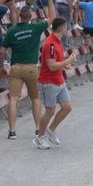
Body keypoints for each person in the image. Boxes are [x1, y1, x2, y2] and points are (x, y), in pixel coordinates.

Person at [0, 2, 48, 139]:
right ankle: (38, 129)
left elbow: (2, 51)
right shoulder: (36, 28)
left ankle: (12, 131)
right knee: (36, 99)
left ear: (20, 16)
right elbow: (52, 18)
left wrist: (1, 66)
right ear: (31, 16)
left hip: (16, 68)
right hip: (31, 68)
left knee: (13, 99)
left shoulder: (12, 31)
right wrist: (49, 0)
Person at [35, 16, 72, 149]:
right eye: (66, 27)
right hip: (48, 81)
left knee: (67, 107)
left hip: (58, 80)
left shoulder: (57, 41)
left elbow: (56, 61)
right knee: (50, 110)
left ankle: (51, 130)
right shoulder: (50, 43)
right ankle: (40, 137)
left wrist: (64, 65)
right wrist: (68, 61)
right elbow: (51, 65)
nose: (67, 29)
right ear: (62, 28)